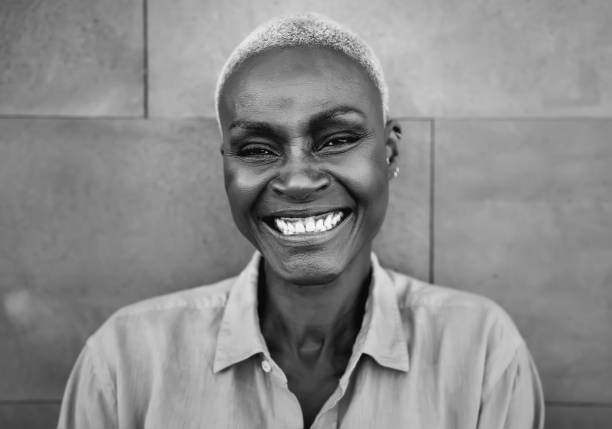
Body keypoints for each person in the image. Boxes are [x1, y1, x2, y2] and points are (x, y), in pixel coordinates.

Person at [58, 13, 544, 429]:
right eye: (255, 149)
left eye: (336, 139)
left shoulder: (483, 354)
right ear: (226, 165)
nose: (296, 180)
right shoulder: (124, 364)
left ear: (389, 152)